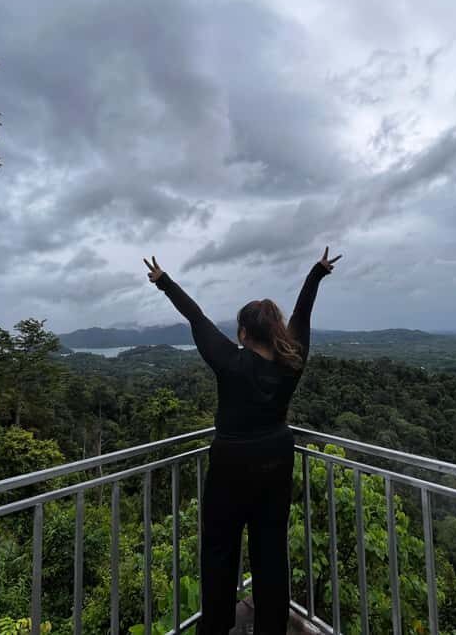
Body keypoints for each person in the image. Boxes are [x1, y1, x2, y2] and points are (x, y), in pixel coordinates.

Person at [142, 247, 342, 635]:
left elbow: (196, 317)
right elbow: (302, 315)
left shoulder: (230, 361)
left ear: (243, 333)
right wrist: (316, 274)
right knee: (271, 552)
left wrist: (164, 282)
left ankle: (216, 628)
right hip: (276, 460)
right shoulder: (292, 361)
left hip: (230, 466)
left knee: (220, 552)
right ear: (276, 331)